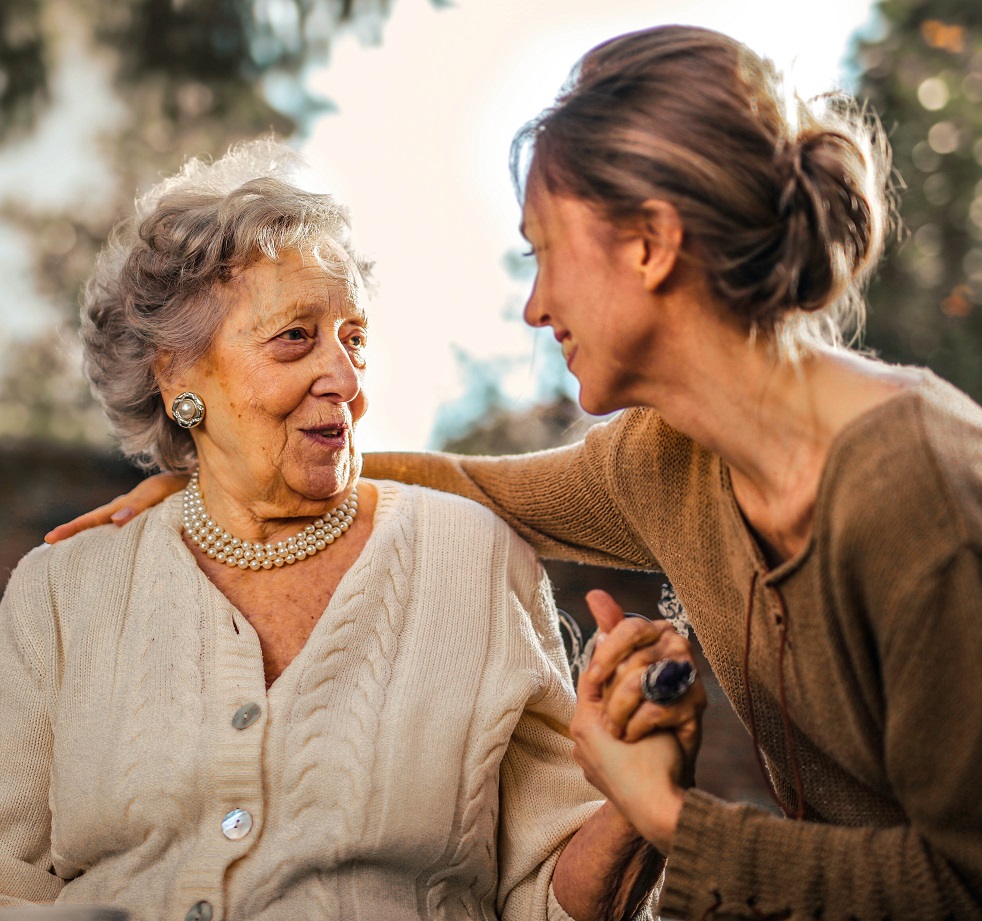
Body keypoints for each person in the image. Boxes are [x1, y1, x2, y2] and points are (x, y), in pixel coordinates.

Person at [51, 25, 982, 919]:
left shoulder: (918, 497)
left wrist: (672, 821)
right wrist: (222, 477)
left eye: (545, 254)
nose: (534, 304)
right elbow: (474, 485)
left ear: (648, 244)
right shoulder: (669, 460)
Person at [0, 141, 672, 920]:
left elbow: (548, 899)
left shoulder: (473, 561)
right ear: (177, 373)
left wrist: (637, 805)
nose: (348, 381)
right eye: (295, 336)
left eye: (354, 337)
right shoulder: (62, 591)